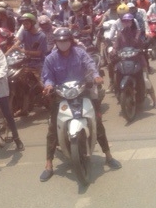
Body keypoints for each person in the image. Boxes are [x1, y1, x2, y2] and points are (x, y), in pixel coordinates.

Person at [40, 28, 121, 181]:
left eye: (65, 40)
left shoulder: (80, 53)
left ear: (70, 41)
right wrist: (49, 85)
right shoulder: (50, 59)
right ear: (56, 42)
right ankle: (48, 164)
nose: (63, 43)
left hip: (82, 91)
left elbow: (90, 64)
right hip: (61, 95)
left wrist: (96, 76)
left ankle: (108, 156)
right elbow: (48, 77)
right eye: (60, 41)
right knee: (52, 128)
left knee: (97, 121)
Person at [112, 14, 156, 107]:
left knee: (146, 80)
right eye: (124, 21)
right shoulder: (120, 33)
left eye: (128, 21)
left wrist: (141, 46)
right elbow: (116, 45)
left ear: (132, 22)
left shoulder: (137, 32)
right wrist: (113, 50)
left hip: (138, 59)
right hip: (124, 60)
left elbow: (138, 43)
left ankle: (154, 100)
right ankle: (119, 93)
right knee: (116, 76)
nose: (126, 23)